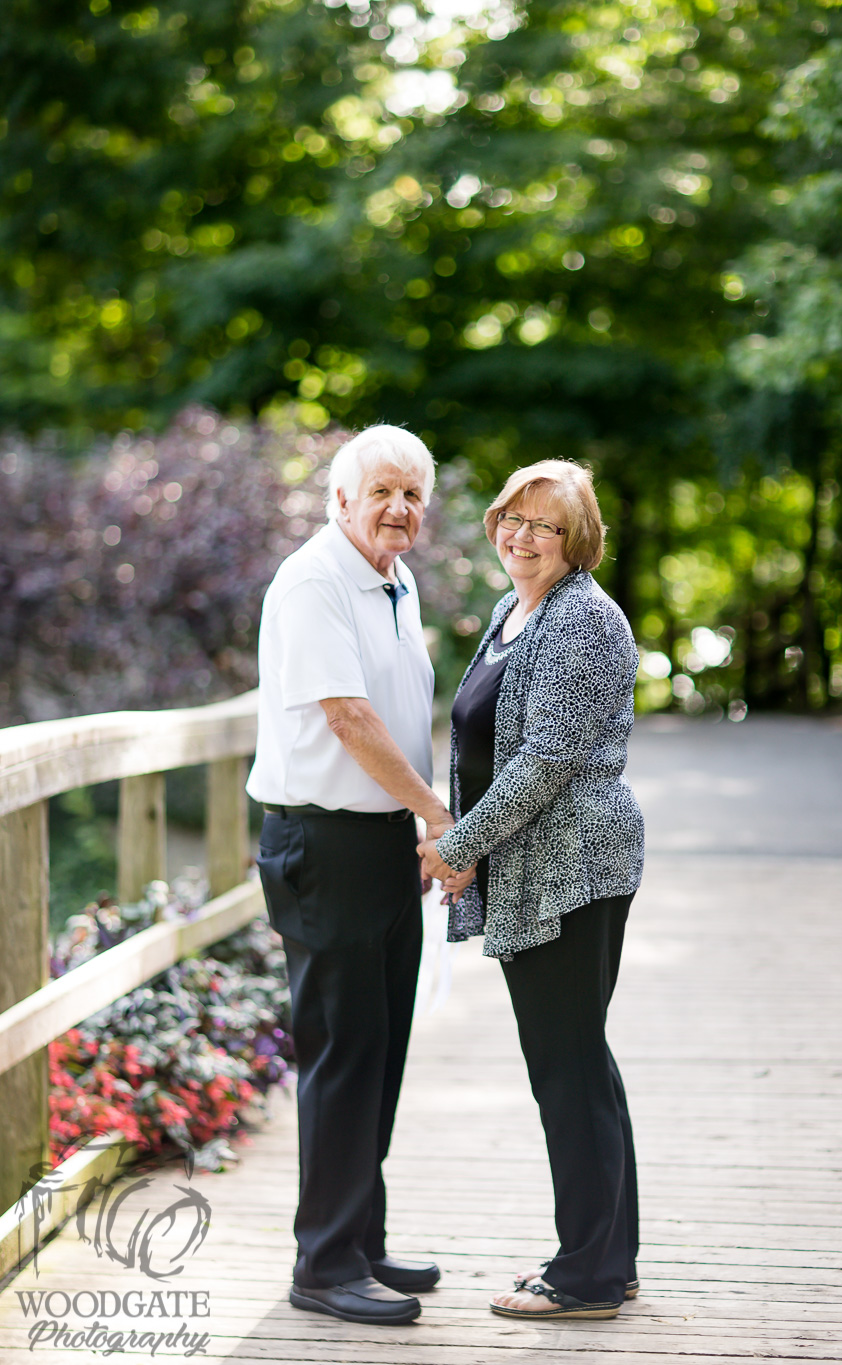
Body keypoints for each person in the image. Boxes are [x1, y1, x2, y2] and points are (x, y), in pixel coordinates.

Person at [418, 459, 645, 1321]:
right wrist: (470, 839)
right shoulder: (517, 611)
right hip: (539, 863)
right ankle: (606, 1259)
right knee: (579, 1060)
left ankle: (584, 1275)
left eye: (545, 524)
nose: (522, 534)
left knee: (567, 1065)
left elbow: (547, 756)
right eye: (513, 516)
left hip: (572, 869)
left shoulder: (582, 617)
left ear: (576, 539)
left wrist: (458, 844)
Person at [247, 424, 454, 1326]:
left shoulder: (395, 580)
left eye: (413, 494)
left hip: (376, 845)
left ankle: (358, 1240)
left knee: (380, 1049)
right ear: (340, 499)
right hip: (322, 845)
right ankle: (324, 1265)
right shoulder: (315, 579)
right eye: (382, 491)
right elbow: (347, 717)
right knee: (340, 1055)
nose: (399, 508)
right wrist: (440, 815)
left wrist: (411, 822)